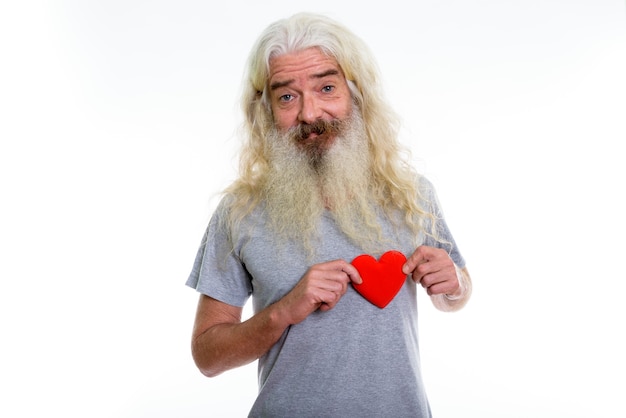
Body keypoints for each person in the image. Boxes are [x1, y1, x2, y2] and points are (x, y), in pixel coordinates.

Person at [186, 12, 472, 417]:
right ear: (265, 110)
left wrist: (454, 285)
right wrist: (283, 311)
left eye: (326, 88)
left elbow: (454, 294)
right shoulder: (239, 213)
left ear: (356, 94)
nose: (309, 114)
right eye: (287, 96)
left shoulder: (411, 193)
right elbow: (208, 356)